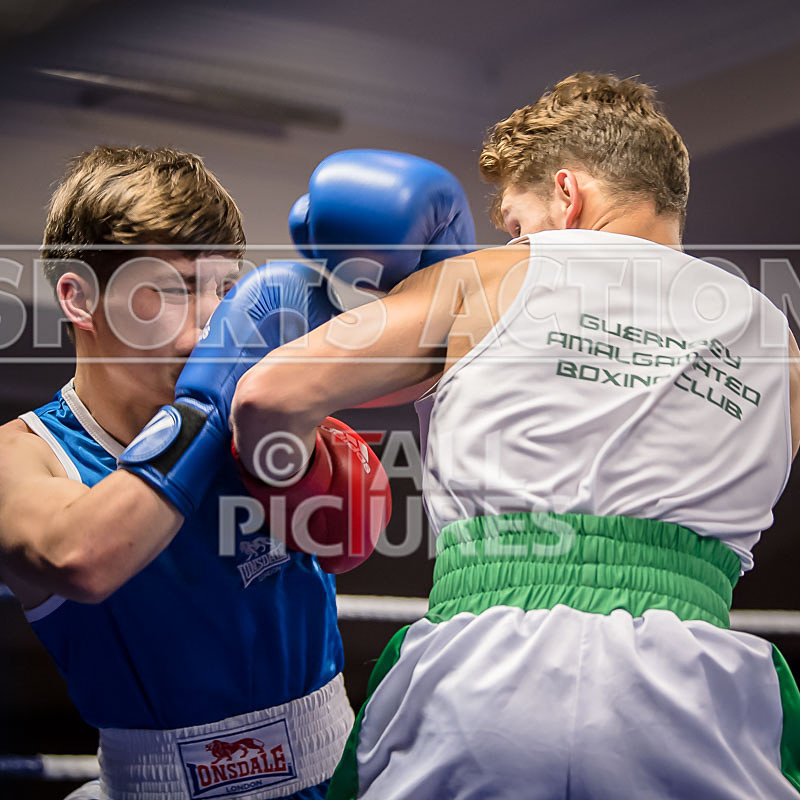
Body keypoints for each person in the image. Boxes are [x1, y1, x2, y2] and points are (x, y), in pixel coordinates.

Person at [230, 73, 800, 799]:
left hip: (486, 677)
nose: (513, 238)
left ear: (567, 194)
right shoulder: (776, 340)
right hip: (697, 693)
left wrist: (304, 481)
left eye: (516, 221)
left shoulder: (490, 278)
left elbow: (265, 395)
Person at [0, 145, 393, 800]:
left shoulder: (259, 415)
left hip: (340, 778)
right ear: (79, 298)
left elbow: (346, 537)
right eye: (179, 287)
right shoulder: (26, 455)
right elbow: (79, 557)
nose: (214, 320)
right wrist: (205, 408)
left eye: (225, 288)